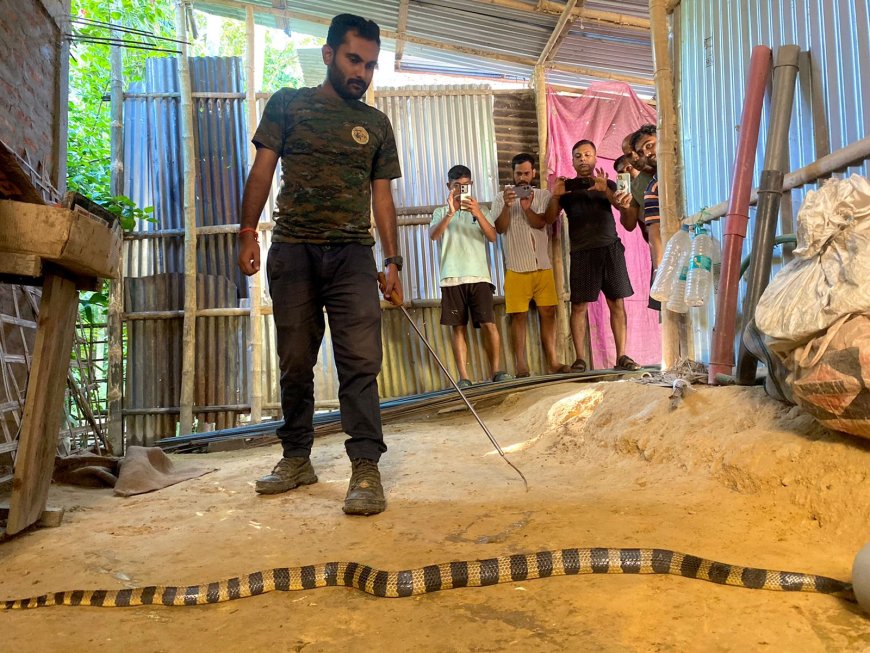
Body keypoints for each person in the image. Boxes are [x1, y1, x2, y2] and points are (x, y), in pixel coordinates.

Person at [237, 14, 403, 516]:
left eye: (371, 65)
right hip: (293, 249)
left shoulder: (375, 124)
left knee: (360, 362)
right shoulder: (288, 104)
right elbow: (262, 170)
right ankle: (296, 457)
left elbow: (383, 199)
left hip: (353, 254)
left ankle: (366, 468)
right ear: (329, 55)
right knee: (294, 360)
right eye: (354, 60)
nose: (362, 73)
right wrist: (247, 231)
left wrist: (392, 260)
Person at [545, 139, 641, 373]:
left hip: (610, 248)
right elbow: (548, 219)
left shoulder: (607, 182)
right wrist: (555, 197)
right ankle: (580, 359)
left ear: (595, 158)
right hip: (582, 252)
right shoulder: (565, 188)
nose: (583, 159)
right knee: (578, 306)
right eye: (578, 156)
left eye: (587, 155)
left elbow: (623, 211)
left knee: (616, 303)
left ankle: (621, 356)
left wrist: (605, 190)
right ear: (572, 160)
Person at [430, 165, 512, 388]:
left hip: (479, 277)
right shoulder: (440, 212)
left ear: (471, 185)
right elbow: (434, 236)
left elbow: (493, 237)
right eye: (456, 186)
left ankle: (496, 370)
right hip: (452, 277)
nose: (460, 190)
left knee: (489, 323)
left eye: (464, 185)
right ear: (449, 186)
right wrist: (450, 212)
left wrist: (476, 212)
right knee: (458, 327)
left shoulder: (481, 210)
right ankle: (464, 377)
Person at [491, 153, 569, 377]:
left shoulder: (544, 196)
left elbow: (543, 222)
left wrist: (526, 208)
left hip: (542, 266)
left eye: (526, 173)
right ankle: (521, 366)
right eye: (518, 173)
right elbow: (500, 228)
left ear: (533, 173)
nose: (522, 178)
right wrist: (508, 206)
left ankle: (553, 361)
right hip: (516, 267)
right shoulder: (500, 198)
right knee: (519, 316)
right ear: (512, 174)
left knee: (548, 312)